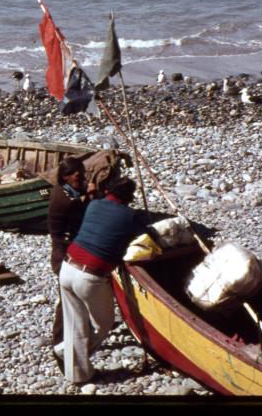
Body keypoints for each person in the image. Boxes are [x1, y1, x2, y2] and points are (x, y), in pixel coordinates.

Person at [58, 176, 152, 385]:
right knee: (103, 324)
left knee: (75, 322)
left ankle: (75, 369)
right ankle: (68, 353)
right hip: (89, 276)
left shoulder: (94, 204)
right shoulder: (129, 216)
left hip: (67, 266)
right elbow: (146, 237)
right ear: (128, 196)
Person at [47, 157, 90, 372]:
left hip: (59, 250)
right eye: (78, 175)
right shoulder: (68, 201)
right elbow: (83, 215)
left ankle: (72, 335)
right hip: (63, 255)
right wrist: (91, 197)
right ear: (66, 177)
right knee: (66, 301)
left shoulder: (60, 190)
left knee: (69, 298)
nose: (82, 178)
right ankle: (59, 345)